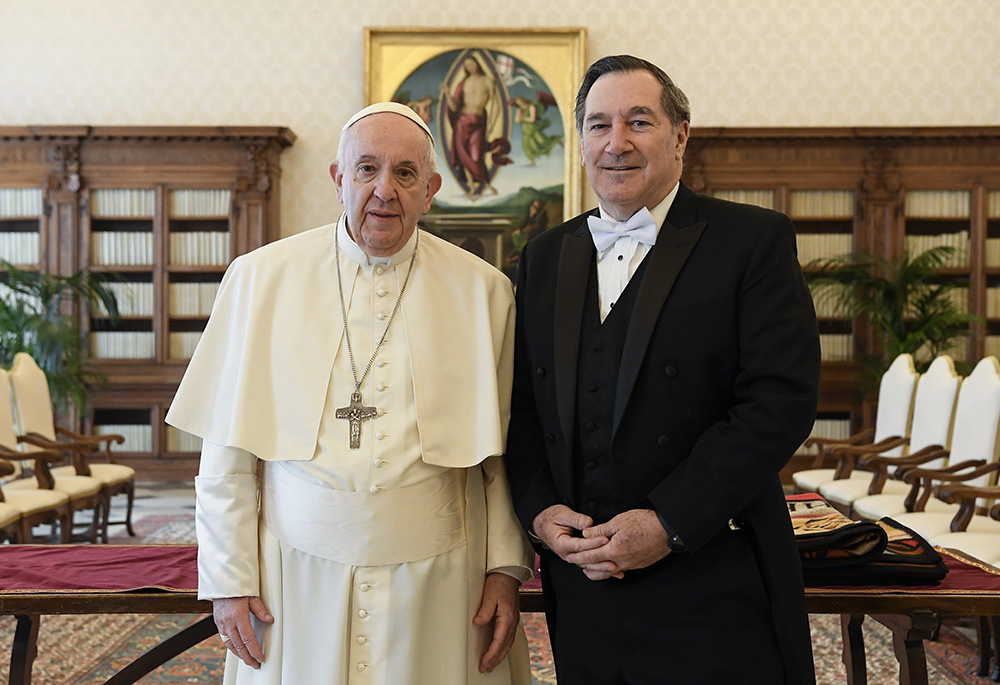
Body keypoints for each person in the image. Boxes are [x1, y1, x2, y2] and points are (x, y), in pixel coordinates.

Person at [166, 102, 534, 684]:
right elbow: (228, 453)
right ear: (339, 179)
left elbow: (502, 456)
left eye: (406, 173)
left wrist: (505, 569)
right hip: (294, 573)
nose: (384, 190)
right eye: (366, 169)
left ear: (432, 188)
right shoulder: (260, 280)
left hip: (443, 580)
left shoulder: (484, 292)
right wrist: (230, 579)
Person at [504, 55, 821, 683]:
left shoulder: (751, 241)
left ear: (679, 137)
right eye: (598, 125)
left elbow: (778, 402)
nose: (615, 143)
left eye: (638, 122)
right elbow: (520, 409)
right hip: (586, 588)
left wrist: (669, 523)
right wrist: (541, 513)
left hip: (712, 580)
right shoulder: (544, 257)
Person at [441, 56, 511, 196]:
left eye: (471, 63)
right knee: (463, 154)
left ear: (477, 64)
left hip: (478, 122)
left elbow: (496, 106)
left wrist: (491, 125)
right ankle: (472, 186)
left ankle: (486, 183)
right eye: (466, 65)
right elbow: (454, 107)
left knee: (476, 155)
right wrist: (448, 94)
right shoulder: (464, 83)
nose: (470, 67)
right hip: (462, 121)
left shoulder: (488, 81)